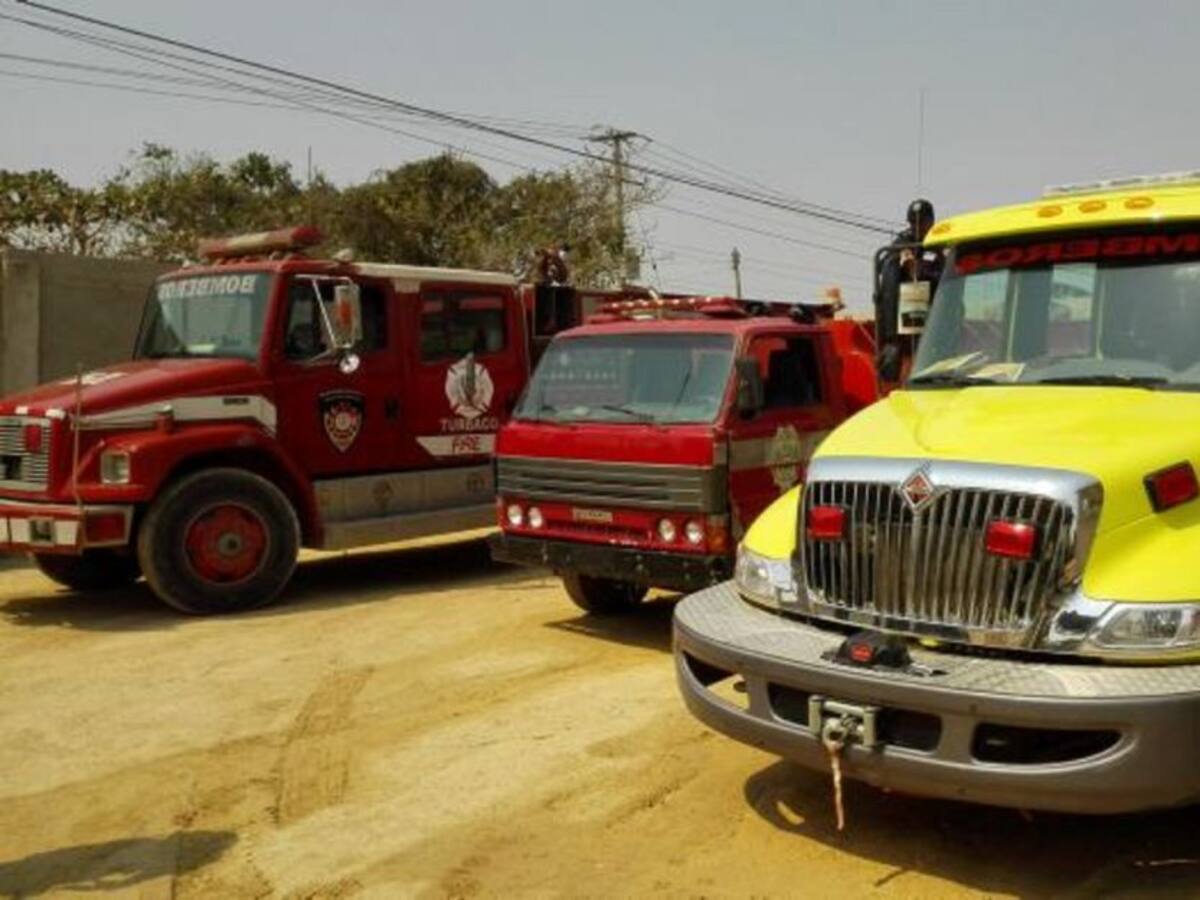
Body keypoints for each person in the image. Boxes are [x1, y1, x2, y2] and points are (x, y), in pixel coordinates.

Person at [875, 199, 943, 382]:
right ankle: (891, 342)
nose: (917, 227)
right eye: (914, 223)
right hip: (907, 315)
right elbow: (884, 266)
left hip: (933, 311)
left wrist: (919, 269)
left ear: (931, 222)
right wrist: (900, 259)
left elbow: (944, 274)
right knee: (891, 266)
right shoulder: (902, 242)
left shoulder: (938, 244)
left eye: (922, 222)